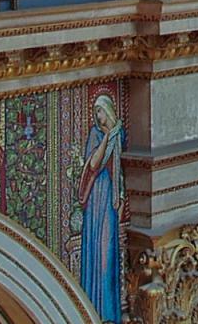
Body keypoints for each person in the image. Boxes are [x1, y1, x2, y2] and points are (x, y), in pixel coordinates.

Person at [78, 93, 122, 321]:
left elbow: (121, 170)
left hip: (111, 197)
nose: (98, 115)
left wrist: (121, 197)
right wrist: (107, 137)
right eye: (95, 111)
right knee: (98, 246)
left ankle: (109, 311)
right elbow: (94, 164)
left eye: (100, 110)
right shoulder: (96, 134)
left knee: (109, 250)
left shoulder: (119, 134)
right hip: (97, 194)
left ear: (109, 110)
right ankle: (94, 306)